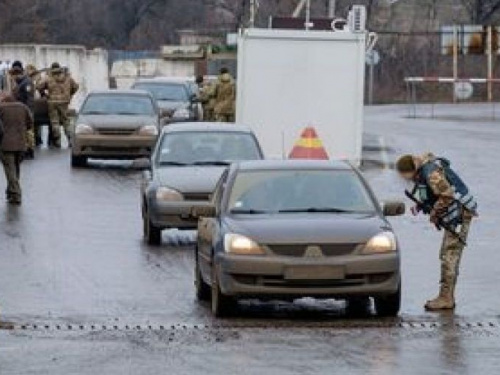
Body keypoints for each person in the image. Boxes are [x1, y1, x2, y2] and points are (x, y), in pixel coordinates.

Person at [396, 153, 478, 311]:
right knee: (447, 254)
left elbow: (446, 196)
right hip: (457, 213)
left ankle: (446, 298)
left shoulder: (431, 172)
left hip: (459, 215)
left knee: (449, 255)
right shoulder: (425, 170)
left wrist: (434, 213)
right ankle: (446, 295)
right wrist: (421, 206)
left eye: (407, 177)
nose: (408, 180)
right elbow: (433, 193)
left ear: (412, 171)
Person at [0, 94, 33, 205]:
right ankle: (10, 192)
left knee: (10, 170)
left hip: (6, 144)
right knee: (16, 168)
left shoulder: (1, 108)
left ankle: (16, 194)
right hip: (21, 144)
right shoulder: (23, 107)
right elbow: (30, 123)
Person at [37, 62, 79, 148]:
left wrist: (44, 94)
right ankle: (70, 139)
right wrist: (69, 95)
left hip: (52, 102)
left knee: (54, 122)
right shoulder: (67, 77)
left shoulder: (49, 77)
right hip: (64, 102)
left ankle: (57, 141)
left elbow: (38, 86)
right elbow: (76, 87)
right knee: (66, 121)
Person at [9, 61, 36, 159]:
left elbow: (29, 98)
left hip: (25, 109)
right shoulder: (18, 82)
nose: (14, 77)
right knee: (22, 131)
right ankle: (24, 149)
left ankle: (30, 150)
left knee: (28, 131)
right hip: (19, 110)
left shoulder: (27, 82)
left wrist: (27, 111)